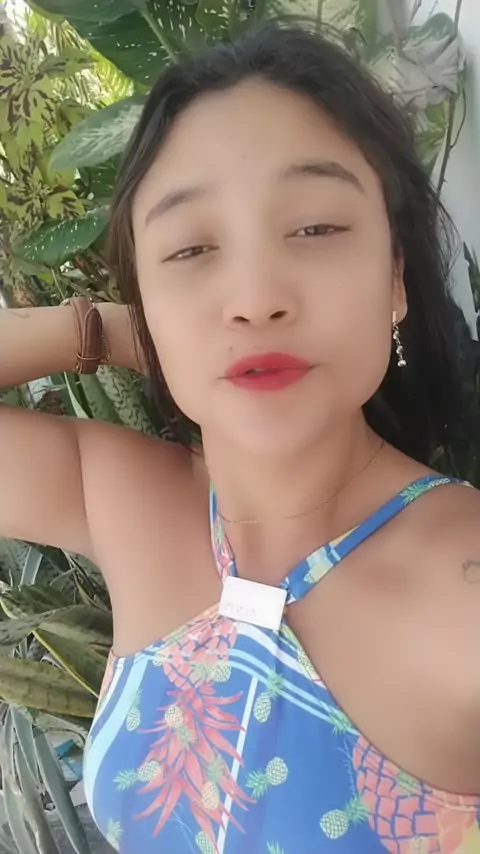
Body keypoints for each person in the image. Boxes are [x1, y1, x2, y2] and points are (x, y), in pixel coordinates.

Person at [0, 20, 479, 854]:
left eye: (315, 228)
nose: (256, 299)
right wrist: (113, 332)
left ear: (396, 276)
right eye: (190, 248)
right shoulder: (125, 501)